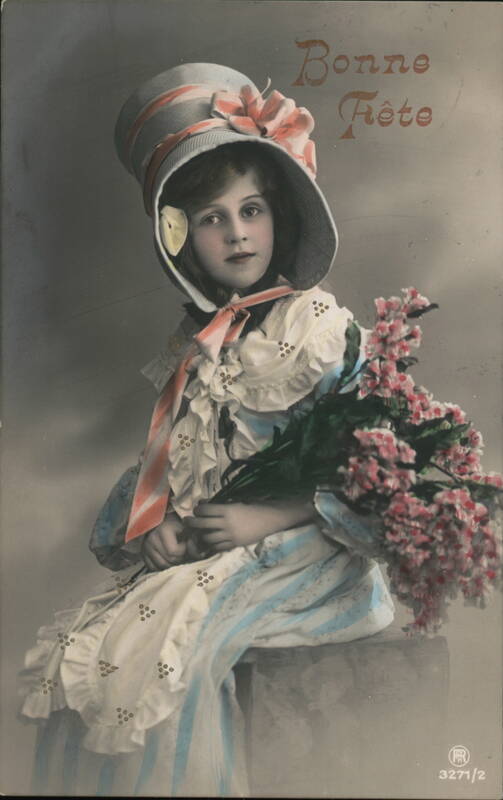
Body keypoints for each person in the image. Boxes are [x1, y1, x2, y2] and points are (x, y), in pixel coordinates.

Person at [19, 63, 394, 797]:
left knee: (168, 642)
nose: (236, 233)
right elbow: (179, 467)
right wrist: (157, 527)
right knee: (91, 649)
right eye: (212, 219)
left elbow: (373, 467)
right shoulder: (199, 344)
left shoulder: (315, 328)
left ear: (279, 214)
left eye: (251, 210)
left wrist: (268, 513)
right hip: (221, 550)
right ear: (179, 238)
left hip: (310, 551)